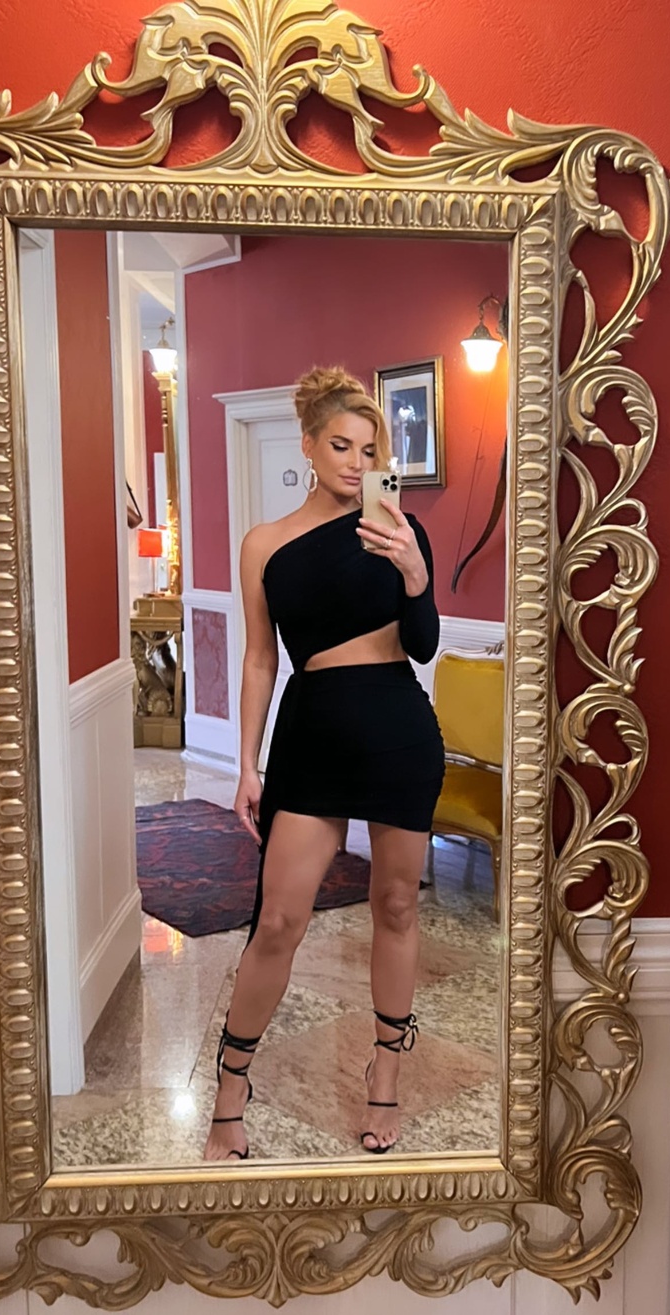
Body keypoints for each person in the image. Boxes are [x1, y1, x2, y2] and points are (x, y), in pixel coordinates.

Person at [204, 366, 445, 1162]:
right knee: (279, 918)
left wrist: (414, 573)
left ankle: (385, 1074)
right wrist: (246, 764)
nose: (355, 462)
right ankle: (231, 1084)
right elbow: (259, 659)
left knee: (397, 904)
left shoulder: (399, 528)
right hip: (310, 733)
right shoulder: (264, 544)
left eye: (370, 450)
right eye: (341, 445)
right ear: (308, 446)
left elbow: (423, 643)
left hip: (397, 729)